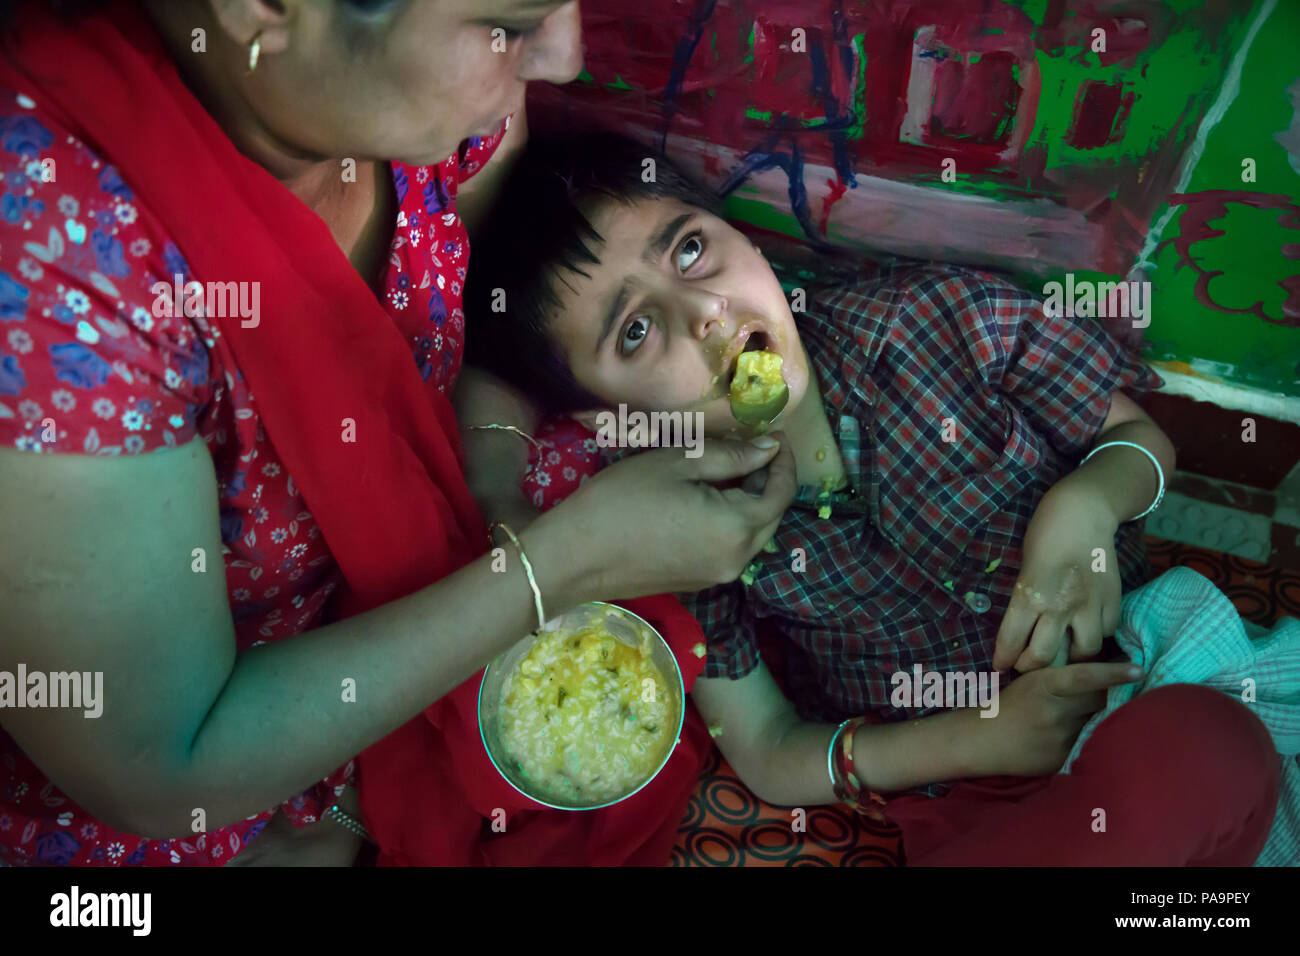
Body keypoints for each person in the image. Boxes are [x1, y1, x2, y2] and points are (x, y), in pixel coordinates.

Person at [0, 0, 796, 866]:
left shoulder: (432, 109)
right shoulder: (51, 270)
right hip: (218, 768)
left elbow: (495, 309)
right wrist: (560, 563)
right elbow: (163, 767)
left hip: (440, 544)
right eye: (513, 20)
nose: (563, 59)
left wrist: (495, 479)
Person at [465, 132, 1281, 864]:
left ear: (741, 236)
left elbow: (1140, 441)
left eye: (689, 250)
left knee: (1215, 749)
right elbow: (764, 748)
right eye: (636, 331)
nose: (707, 314)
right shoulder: (677, 531)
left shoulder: (940, 319)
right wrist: (978, 738)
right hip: (967, 799)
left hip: (1141, 680)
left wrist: (1089, 511)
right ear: (607, 417)